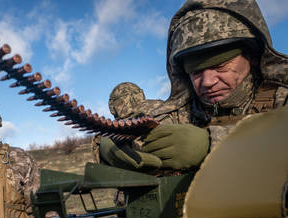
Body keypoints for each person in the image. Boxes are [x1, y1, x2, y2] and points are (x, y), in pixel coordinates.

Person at [97, 0, 288, 173]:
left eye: (219, 66)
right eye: (196, 72)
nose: (207, 82)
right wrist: (113, 147)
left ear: (253, 56)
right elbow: (139, 130)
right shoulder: (183, 114)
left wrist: (212, 144)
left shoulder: (282, 97)